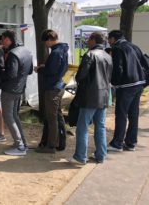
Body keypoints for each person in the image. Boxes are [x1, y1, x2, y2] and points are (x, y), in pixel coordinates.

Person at [68, 32, 113, 165]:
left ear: (93, 40)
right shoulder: (107, 56)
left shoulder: (90, 55)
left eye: (88, 39)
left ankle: (80, 156)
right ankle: (101, 155)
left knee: (83, 127)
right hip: (104, 95)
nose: (87, 42)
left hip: (90, 96)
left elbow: (80, 76)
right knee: (100, 126)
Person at [107, 30, 149, 152]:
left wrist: (114, 83)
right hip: (139, 84)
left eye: (109, 39)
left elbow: (117, 69)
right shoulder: (134, 46)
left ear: (113, 38)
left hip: (126, 86)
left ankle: (117, 143)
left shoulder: (117, 48)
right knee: (133, 114)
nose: (109, 42)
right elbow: (146, 64)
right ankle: (131, 143)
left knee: (121, 114)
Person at [35, 29, 69, 154]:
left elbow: (51, 71)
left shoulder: (56, 52)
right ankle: (60, 142)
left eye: (45, 42)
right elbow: (58, 68)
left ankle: (51, 145)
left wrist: (40, 69)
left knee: (51, 118)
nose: (45, 45)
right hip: (59, 86)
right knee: (58, 116)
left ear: (49, 39)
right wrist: (46, 67)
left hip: (53, 88)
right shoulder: (63, 50)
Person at [0, 30, 33, 156]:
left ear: (8, 39)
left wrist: (1, 72)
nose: (2, 42)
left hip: (10, 89)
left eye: (3, 39)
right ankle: (22, 142)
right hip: (20, 89)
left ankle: (19, 146)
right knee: (14, 115)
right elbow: (29, 71)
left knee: (8, 117)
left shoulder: (13, 54)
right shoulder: (27, 51)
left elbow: (11, 74)